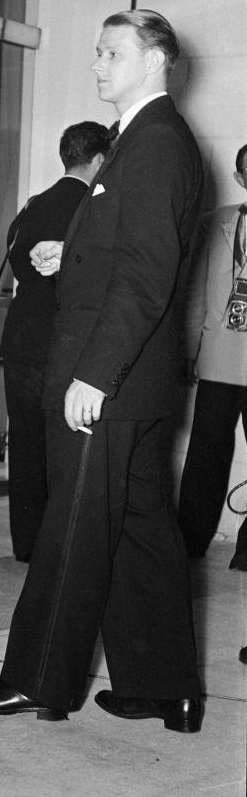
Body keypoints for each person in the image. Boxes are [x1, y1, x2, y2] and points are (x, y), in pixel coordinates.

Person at [0, 9, 205, 733]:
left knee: (70, 530)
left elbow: (148, 273)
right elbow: (132, 250)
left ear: (154, 60)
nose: (96, 64)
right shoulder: (145, 139)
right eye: (95, 51)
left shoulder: (153, 141)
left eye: (111, 52)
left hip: (108, 378)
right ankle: (165, 687)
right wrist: (74, 254)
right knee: (140, 530)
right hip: (136, 377)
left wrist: (93, 376)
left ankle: (37, 680)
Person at [1, 122, 110, 562]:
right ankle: (58, 550)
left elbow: (14, 264)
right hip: (63, 346)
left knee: (25, 446)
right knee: (63, 449)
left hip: (21, 341)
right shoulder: (94, 209)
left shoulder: (32, 205)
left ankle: (26, 544)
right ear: (101, 160)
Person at [177, 142, 247, 568]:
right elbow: (196, 293)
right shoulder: (217, 222)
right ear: (240, 178)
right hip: (220, 360)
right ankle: (188, 543)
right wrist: (188, 351)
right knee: (205, 456)